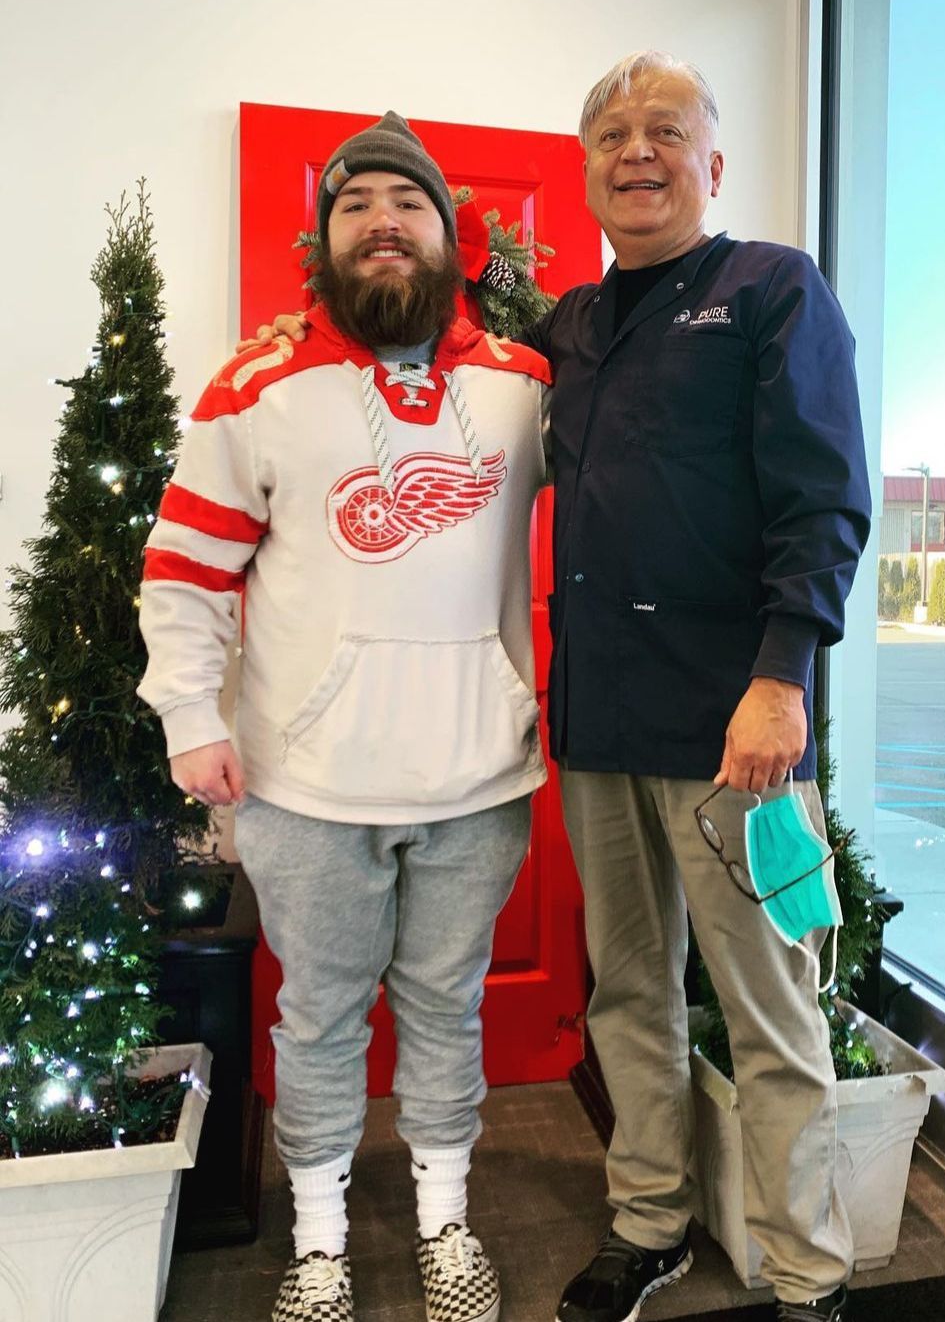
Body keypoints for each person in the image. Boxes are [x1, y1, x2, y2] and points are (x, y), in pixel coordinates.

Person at [253, 51, 870, 1322]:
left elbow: (821, 502)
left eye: (666, 131)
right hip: (594, 730)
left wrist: (783, 678)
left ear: (713, 162)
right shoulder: (569, 333)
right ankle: (649, 1223)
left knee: (767, 1005)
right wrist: (299, 336)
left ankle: (809, 1275)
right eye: (612, 135)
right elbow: (434, 373)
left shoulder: (772, 292)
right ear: (586, 171)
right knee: (628, 992)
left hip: (738, 733)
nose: (637, 152)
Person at [138, 111, 552, 1322]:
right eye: (354, 202)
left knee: (446, 1005)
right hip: (306, 783)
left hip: (479, 779)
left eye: (407, 203)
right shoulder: (256, 384)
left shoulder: (525, 389)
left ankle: (443, 1217)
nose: (382, 220)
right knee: (316, 1016)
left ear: (450, 237)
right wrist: (188, 723)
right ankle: (319, 1239)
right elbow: (186, 574)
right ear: (322, 239)